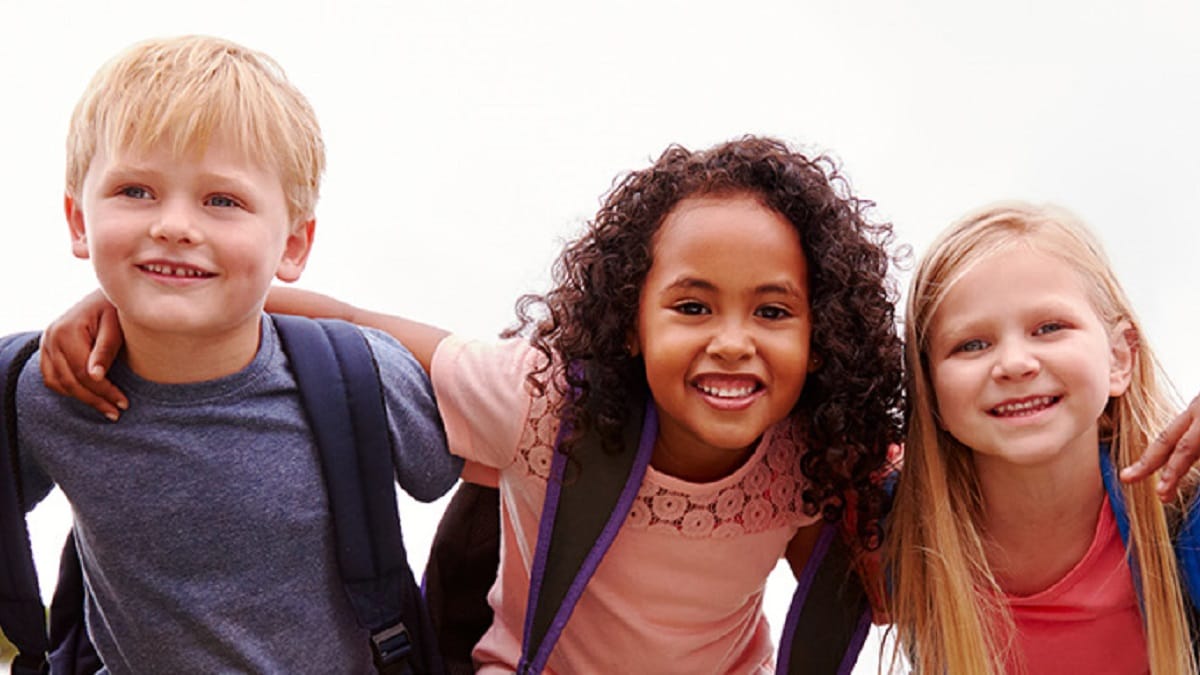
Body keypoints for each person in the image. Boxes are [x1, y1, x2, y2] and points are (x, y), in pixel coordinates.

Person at [43, 136, 908, 672]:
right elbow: (354, 321)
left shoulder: (817, 455)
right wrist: (149, 301)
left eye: (773, 311)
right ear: (631, 322)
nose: (731, 339)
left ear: (822, 334)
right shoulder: (542, 404)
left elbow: (869, 590)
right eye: (691, 306)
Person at [10, 35, 460, 672]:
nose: (174, 225)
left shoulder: (359, 380)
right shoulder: (51, 390)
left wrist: (346, 317)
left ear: (295, 245)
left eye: (223, 200)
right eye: (135, 191)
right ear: (78, 220)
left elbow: (515, 399)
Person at [886, 202, 1200, 674]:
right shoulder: (895, 527)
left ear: (1119, 358)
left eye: (1049, 328)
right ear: (931, 393)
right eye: (971, 344)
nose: (1015, 363)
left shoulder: (1184, 518)